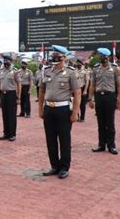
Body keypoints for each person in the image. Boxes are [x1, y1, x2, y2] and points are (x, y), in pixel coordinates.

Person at [38, 45, 81, 179]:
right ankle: (54, 166)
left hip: (63, 109)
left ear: (63, 57)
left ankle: (64, 167)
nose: (53, 57)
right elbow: (41, 91)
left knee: (64, 139)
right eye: (53, 55)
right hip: (49, 109)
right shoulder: (46, 71)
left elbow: (77, 93)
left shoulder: (71, 72)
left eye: (57, 55)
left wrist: (75, 112)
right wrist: (40, 109)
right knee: (50, 139)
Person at [88, 48, 120, 155]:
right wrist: (90, 98)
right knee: (101, 123)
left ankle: (111, 146)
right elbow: (92, 85)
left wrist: (119, 100)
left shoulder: (115, 69)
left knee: (110, 122)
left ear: (107, 57)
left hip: (110, 97)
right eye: (100, 56)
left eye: (102, 56)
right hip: (99, 97)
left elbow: (119, 86)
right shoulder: (96, 69)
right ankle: (101, 144)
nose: (100, 57)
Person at [0, 55, 21, 141]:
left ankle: (12, 134)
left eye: (7, 61)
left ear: (10, 61)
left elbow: (19, 84)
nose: (5, 62)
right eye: (4, 61)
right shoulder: (1, 71)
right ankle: (6, 133)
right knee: (4, 114)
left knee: (11, 115)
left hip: (11, 94)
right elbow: (0, 84)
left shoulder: (14, 71)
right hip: (3, 94)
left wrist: (18, 97)